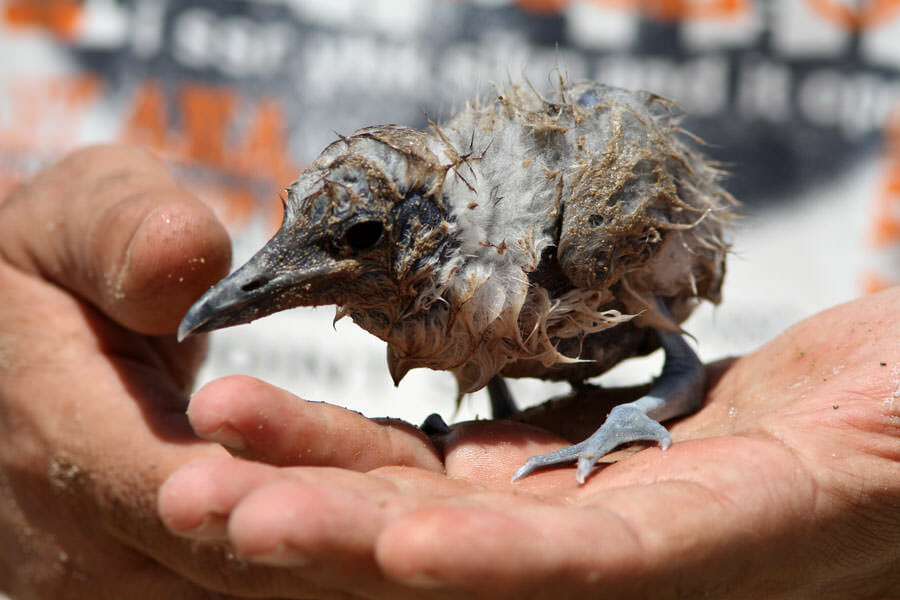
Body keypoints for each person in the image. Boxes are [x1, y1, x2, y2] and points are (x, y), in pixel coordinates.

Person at [1, 144, 898, 599]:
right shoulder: (436, 279)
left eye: (357, 245)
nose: (275, 277)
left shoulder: (569, 237)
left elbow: (665, 306)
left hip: (761, 409)